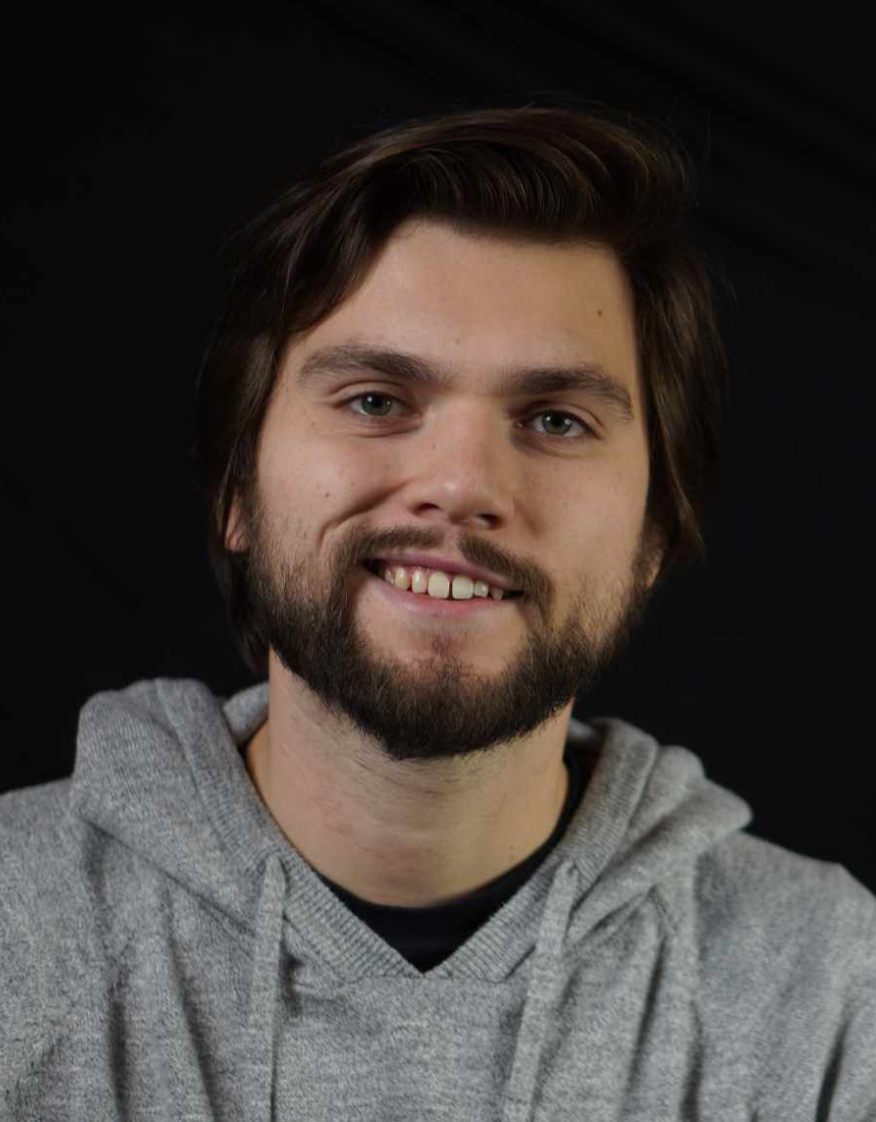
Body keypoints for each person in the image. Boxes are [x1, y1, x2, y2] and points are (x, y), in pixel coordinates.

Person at [1, 102, 873, 1121]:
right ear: (235, 490)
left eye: (555, 420)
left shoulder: (832, 999)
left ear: (653, 538)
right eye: (376, 400)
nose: (460, 484)